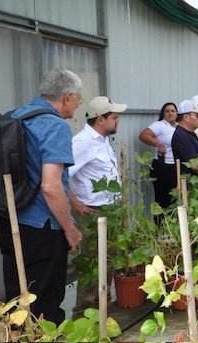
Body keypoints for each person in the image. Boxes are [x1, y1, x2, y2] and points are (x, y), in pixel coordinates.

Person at [0, 69, 84, 324]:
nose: (78, 106)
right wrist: (70, 229)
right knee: (44, 303)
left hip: (9, 222)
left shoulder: (13, 117)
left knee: (17, 300)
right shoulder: (54, 126)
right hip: (41, 230)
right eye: (78, 99)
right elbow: (51, 186)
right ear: (67, 97)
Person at [69, 96, 127, 316]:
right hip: (93, 211)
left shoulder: (102, 140)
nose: (117, 120)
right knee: (94, 263)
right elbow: (62, 174)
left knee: (108, 260)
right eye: (114, 117)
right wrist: (75, 202)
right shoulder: (82, 143)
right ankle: (84, 313)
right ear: (100, 119)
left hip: (108, 210)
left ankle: (102, 307)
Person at [138, 102, 178, 212]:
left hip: (176, 166)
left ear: (177, 113)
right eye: (167, 111)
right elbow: (143, 135)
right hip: (163, 165)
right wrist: (158, 144)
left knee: (175, 198)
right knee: (163, 199)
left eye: (172, 111)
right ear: (163, 113)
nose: (170, 113)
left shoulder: (178, 127)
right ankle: (160, 226)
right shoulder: (160, 125)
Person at [171, 99, 198, 175]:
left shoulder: (190, 133)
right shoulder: (181, 137)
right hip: (190, 184)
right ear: (186, 117)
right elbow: (194, 165)